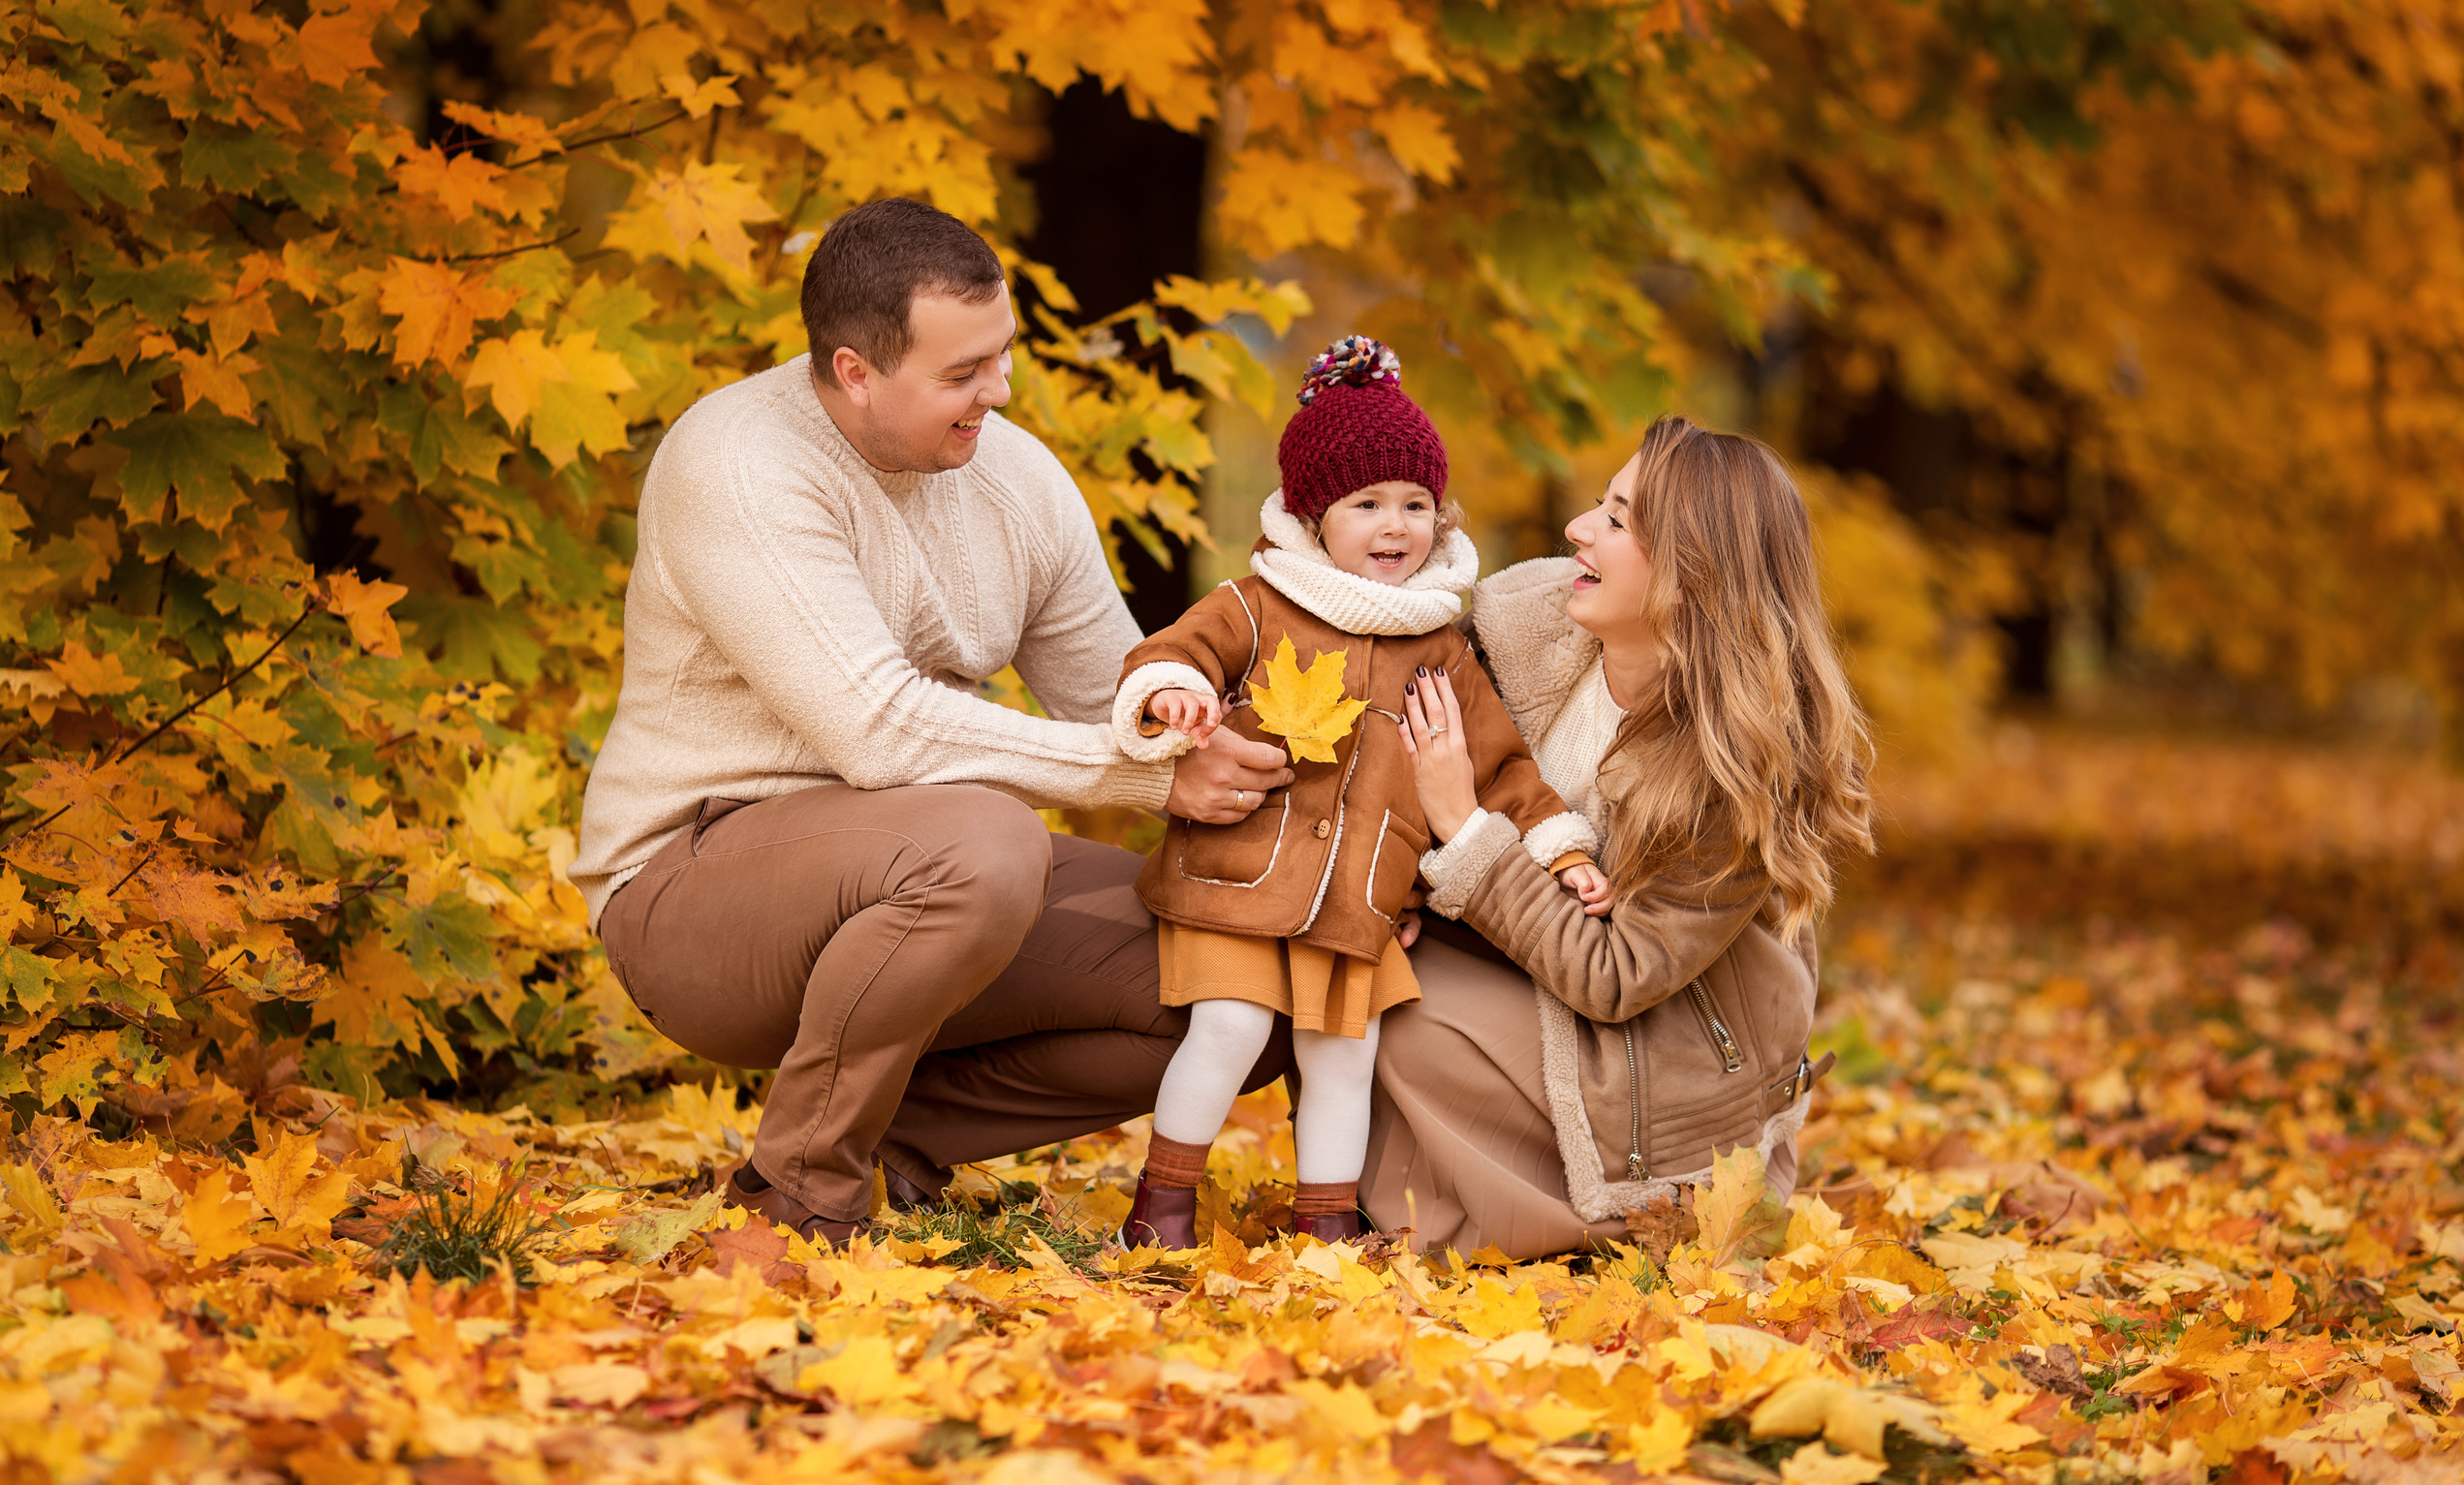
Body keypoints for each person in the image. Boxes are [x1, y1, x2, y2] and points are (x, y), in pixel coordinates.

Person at [572, 198, 1298, 1245]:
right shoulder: (739, 463)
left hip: (917, 874)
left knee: (1248, 963)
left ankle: (892, 1138)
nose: (996, 393)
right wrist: (1145, 771)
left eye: (1002, 356)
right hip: (692, 887)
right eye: (962, 373)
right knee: (986, 840)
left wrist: (1306, 827)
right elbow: (877, 729)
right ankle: (797, 1194)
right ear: (855, 370)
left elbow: (1122, 700)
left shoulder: (1015, 477)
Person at [1102, 336, 1607, 1249]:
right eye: (1366, 503)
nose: (1394, 525)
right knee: (1227, 1029)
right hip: (1242, 877)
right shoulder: (1259, 603)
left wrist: (1561, 847)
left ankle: (1327, 1223)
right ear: (1313, 513)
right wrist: (1171, 691)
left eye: (1416, 505)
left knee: (1346, 1055)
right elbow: (1173, 649)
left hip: (1358, 898)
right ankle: (1162, 1206)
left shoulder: (1440, 646)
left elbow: (1502, 769)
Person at [1365, 417, 1876, 1258]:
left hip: (1666, 1068)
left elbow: (1616, 977)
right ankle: (1377, 1198)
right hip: (1535, 979)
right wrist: (1403, 888)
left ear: (1693, 567)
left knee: (1402, 1013)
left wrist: (1462, 827)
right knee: (1349, 961)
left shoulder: (1736, 765)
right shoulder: (1523, 631)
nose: (1578, 529)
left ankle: (1592, 1222)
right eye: (1597, 506)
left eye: (1615, 518)